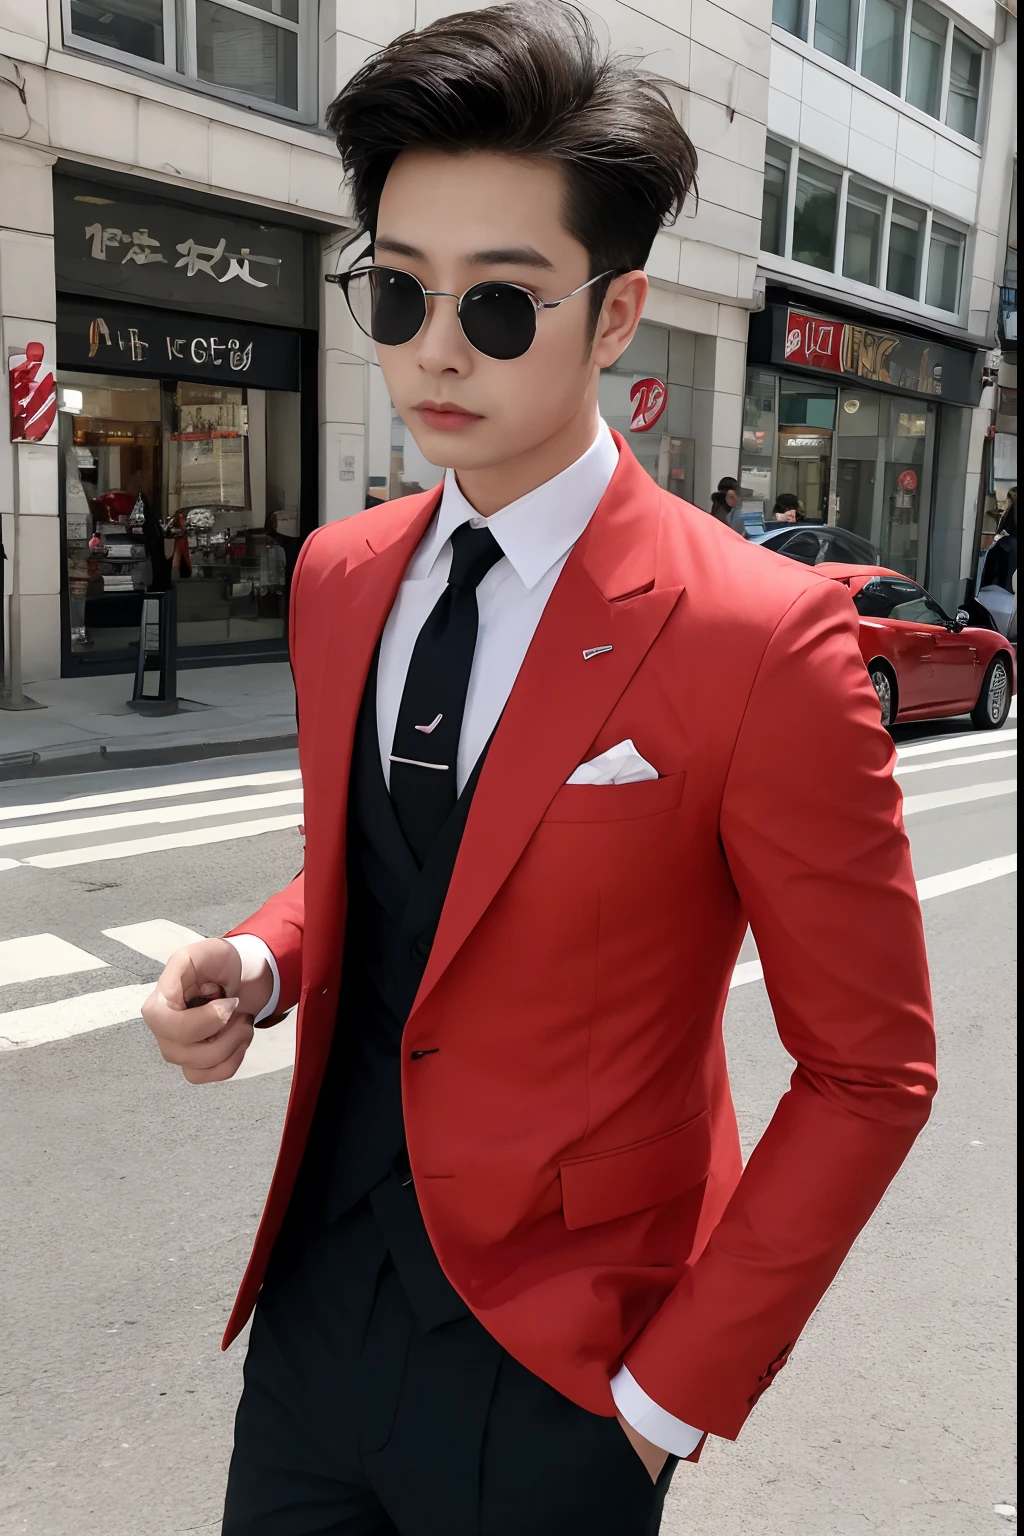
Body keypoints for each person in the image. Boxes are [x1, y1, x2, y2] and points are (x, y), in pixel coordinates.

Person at [141, 5, 936, 1534]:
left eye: (500, 307)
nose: (435, 350)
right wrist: (263, 957)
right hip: (312, 1324)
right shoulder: (338, 574)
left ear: (616, 313)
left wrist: (662, 1405)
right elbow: (404, 866)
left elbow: (871, 1073)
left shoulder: (762, 638)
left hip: (562, 1374)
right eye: (396, 292)